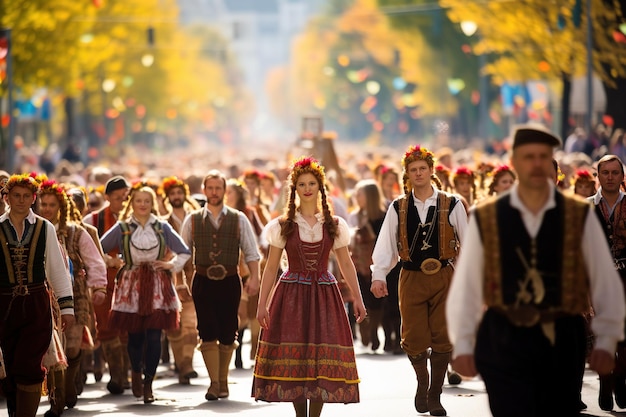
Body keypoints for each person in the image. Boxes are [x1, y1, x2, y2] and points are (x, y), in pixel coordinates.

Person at [446, 125, 626, 417]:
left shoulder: (579, 215)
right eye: (529, 157)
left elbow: (604, 279)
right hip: (503, 334)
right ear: (515, 162)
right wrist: (463, 342)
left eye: (544, 157)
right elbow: (467, 285)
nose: (537, 164)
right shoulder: (486, 216)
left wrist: (607, 339)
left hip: (562, 333)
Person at [252, 156, 366, 417]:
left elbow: (346, 264)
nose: (307, 188)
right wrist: (262, 304)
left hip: (324, 294)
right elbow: (270, 267)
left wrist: (358, 299)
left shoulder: (334, 225)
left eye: (312, 183)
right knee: (297, 356)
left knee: (320, 355)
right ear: (295, 189)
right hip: (291, 294)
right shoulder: (283, 226)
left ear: (320, 187)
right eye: (301, 184)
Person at [370, 144, 468, 416]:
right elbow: (386, 246)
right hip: (410, 276)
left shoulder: (452, 203)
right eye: (413, 170)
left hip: (444, 276)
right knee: (413, 337)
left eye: (423, 168)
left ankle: (435, 394)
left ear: (431, 170)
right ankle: (422, 381)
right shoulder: (398, 207)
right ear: (408, 174)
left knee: (442, 335)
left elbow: (468, 244)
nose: (419, 173)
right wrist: (379, 275)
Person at [100, 184, 191, 403]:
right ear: (132, 203)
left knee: (154, 335)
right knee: (135, 336)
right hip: (131, 285)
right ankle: (136, 372)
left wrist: (170, 265)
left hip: (158, 285)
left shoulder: (162, 227)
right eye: (139, 201)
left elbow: (184, 252)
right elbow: (96, 248)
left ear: (153, 204)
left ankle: (149, 382)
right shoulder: (122, 227)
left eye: (147, 201)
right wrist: (112, 261)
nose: (142, 205)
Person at [180, 170, 261, 401]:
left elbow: (251, 252)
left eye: (218, 188)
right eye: (210, 188)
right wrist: (178, 281)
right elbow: (183, 253)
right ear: (204, 190)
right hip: (203, 281)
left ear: (224, 191)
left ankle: (223, 380)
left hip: (230, 281)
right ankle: (214, 384)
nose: (214, 192)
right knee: (206, 330)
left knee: (228, 330)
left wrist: (254, 278)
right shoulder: (193, 219)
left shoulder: (239, 218)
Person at [0, 174, 75, 417]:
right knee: (10, 366)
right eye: (15, 196)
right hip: (3, 305)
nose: (21, 201)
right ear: (7, 198)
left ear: (34, 199)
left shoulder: (45, 228)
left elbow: (57, 270)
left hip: (36, 303)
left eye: (26, 196)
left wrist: (67, 308)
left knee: (30, 364)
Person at [36, 180, 107, 416]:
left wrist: (98, 288)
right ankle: (57, 400)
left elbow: (95, 262)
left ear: (61, 206)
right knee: (51, 347)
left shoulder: (76, 232)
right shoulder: (34, 229)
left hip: (75, 296)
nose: (46, 208)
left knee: (73, 345)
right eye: (43, 204)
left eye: (51, 204)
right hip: (43, 298)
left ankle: (71, 383)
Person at [83, 175, 131, 394]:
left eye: (125, 195)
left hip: (132, 284)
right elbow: (86, 251)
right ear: (108, 197)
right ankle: (117, 375)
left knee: (128, 330)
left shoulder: (138, 217)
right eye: (117, 196)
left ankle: (128, 374)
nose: (122, 199)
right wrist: (107, 260)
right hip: (105, 283)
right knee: (107, 329)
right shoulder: (93, 221)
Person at [588, 154, 626, 410]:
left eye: (615, 172)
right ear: (598, 176)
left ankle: (619, 379)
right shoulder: (586, 207)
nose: (610, 177)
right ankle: (604, 379)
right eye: (606, 173)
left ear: (622, 177)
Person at [160, 176, 201, 385]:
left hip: (194, 276)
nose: (176, 197)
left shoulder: (195, 218)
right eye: (172, 194)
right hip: (169, 279)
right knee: (174, 325)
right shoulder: (163, 223)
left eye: (179, 193)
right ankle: (181, 364)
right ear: (168, 198)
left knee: (191, 324)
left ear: (184, 195)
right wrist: (176, 279)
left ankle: (187, 364)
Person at [348, 179, 387, 352]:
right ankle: (364, 328)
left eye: (360, 194)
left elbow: (382, 242)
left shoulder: (382, 217)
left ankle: (373, 331)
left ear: (370, 196)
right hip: (357, 262)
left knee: (376, 301)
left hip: (375, 264)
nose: (356, 197)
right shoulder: (354, 216)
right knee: (360, 296)